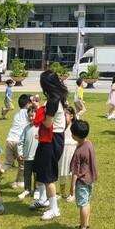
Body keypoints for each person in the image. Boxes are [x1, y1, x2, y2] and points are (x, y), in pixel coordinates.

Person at [32, 69, 68, 220]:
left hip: (52, 139)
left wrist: (38, 110)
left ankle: (54, 209)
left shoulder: (53, 100)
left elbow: (47, 123)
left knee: (48, 175)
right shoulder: (58, 97)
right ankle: (43, 199)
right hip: (52, 138)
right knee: (40, 167)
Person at [69, 119, 98, 229]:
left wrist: (72, 186)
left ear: (75, 136)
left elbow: (75, 172)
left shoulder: (78, 152)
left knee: (83, 204)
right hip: (90, 179)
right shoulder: (89, 144)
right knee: (86, 203)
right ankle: (86, 224)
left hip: (82, 181)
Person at [4, 93, 31, 189]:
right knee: (22, 164)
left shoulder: (17, 114)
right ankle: (20, 182)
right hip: (19, 142)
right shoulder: (28, 113)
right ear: (28, 103)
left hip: (10, 140)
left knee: (7, 163)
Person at [17, 104, 38, 201]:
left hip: (37, 157)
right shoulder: (26, 128)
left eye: (32, 116)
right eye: (29, 116)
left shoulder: (40, 128)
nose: (30, 118)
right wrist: (20, 153)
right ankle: (27, 189)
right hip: (27, 156)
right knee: (27, 174)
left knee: (37, 174)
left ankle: (37, 190)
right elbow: (21, 141)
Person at [58, 106, 77, 200]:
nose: (63, 117)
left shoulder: (74, 127)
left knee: (71, 173)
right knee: (61, 172)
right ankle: (62, 193)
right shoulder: (60, 126)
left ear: (72, 116)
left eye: (65, 115)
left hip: (72, 151)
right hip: (62, 151)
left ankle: (72, 193)